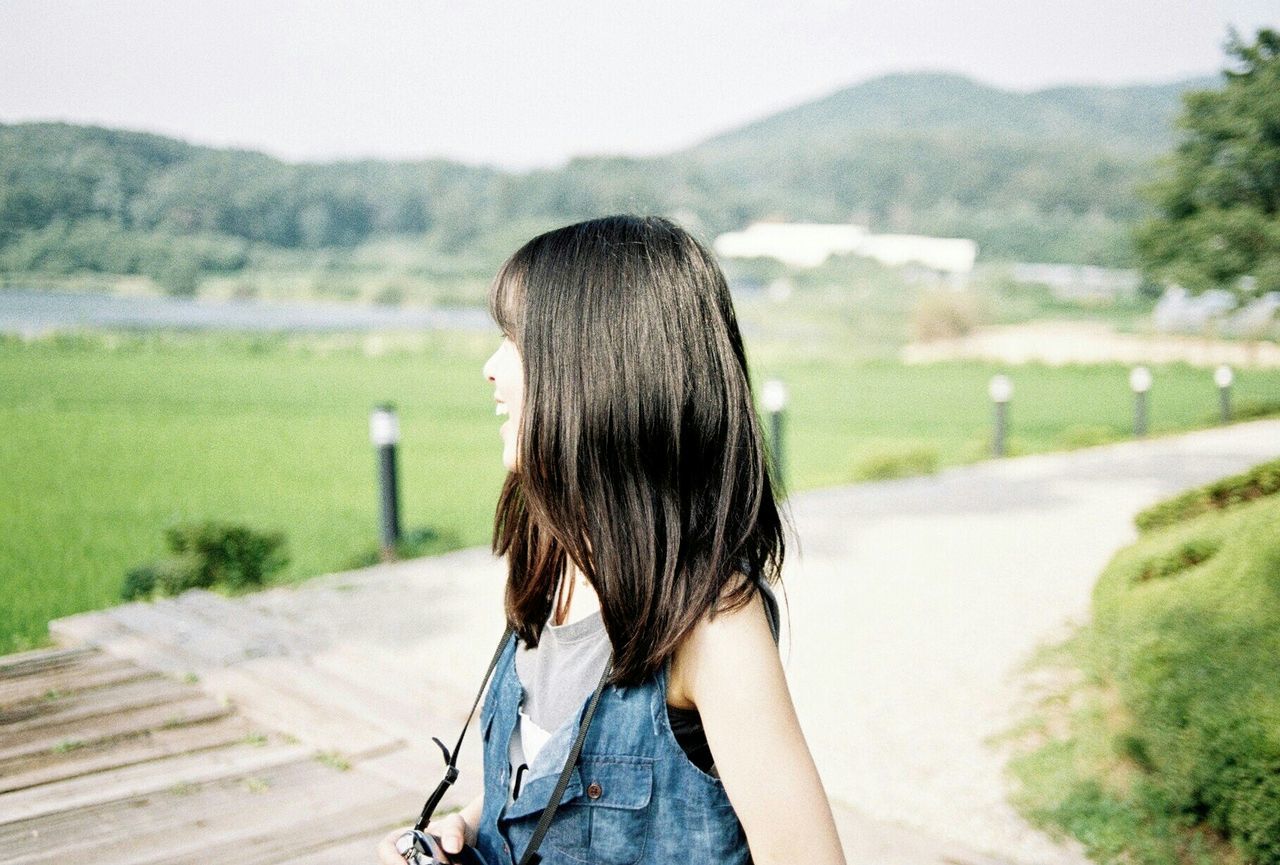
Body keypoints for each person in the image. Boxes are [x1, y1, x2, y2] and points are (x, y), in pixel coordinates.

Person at [379, 215, 845, 865]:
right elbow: (541, 781)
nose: (490, 368)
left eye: (514, 339)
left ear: (596, 370)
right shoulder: (551, 558)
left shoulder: (712, 622)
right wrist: (464, 826)